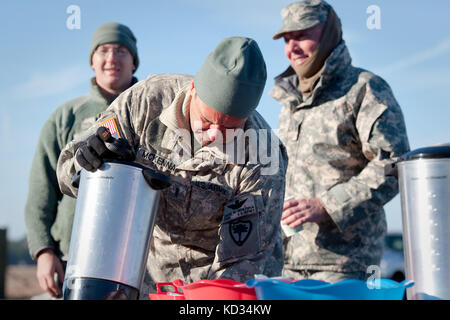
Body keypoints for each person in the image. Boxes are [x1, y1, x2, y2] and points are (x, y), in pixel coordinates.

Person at [56, 36, 288, 298]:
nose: (213, 135)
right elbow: (66, 172)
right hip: (141, 274)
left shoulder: (261, 155)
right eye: (208, 120)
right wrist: (88, 165)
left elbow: (243, 264)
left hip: (213, 284)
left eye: (229, 128)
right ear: (192, 90)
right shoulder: (145, 102)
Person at [271, 0, 410, 282]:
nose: (291, 48)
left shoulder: (365, 88)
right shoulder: (289, 104)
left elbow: (394, 166)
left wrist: (328, 205)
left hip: (345, 266)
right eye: (286, 39)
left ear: (329, 34)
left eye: (301, 36)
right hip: (286, 264)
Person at [25, 22, 140, 298]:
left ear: (134, 62)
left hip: (137, 262)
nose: (112, 58)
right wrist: (44, 250)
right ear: (92, 61)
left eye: (121, 51)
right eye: (103, 50)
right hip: (72, 260)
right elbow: (42, 189)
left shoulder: (153, 114)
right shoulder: (66, 116)